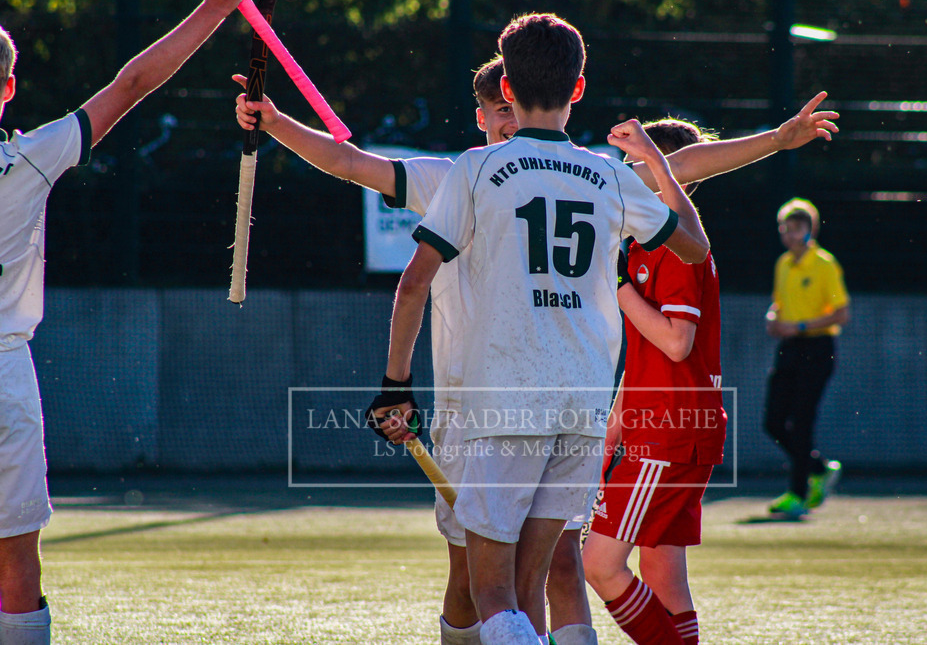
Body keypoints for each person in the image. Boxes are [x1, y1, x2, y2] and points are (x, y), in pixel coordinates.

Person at [236, 55, 839, 645]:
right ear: (484, 113)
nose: (505, 120)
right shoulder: (458, 175)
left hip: (512, 408)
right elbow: (348, 161)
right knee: (477, 582)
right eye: (495, 112)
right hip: (500, 407)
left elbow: (675, 165)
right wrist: (276, 121)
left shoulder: (552, 170)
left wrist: (775, 141)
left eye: (510, 108)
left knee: (541, 573)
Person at [367, 12, 713, 644]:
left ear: (507, 91)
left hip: (506, 402)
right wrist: (660, 167)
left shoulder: (476, 169)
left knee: (489, 588)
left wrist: (395, 383)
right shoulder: (610, 174)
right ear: (578, 89)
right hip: (582, 405)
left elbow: (414, 282)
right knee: (538, 585)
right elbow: (693, 246)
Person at [0, 0, 248, 642]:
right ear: (10, 87)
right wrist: (215, 9)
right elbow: (131, 85)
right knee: (16, 558)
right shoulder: (30, 160)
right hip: (5, 378)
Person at [582, 119, 727, 645]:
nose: (622, 181)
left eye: (636, 167)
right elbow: (647, 353)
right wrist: (617, 421)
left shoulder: (672, 247)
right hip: (667, 427)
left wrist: (618, 288)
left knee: (599, 565)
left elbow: (674, 342)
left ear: (669, 175)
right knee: (664, 573)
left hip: (669, 431)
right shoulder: (647, 245)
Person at [763, 197, 849, 519]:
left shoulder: (825, 264)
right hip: (789, 349)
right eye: (784, 228)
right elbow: (778, 304)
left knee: (801, 423)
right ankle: (819, 469)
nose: (789, 234)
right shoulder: (783, 264)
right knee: (772, 421)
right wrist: (773, 318)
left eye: (796, 228)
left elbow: (841, 313)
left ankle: (798, 494)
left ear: (809, 230)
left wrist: (799, 326)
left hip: (817, 348)